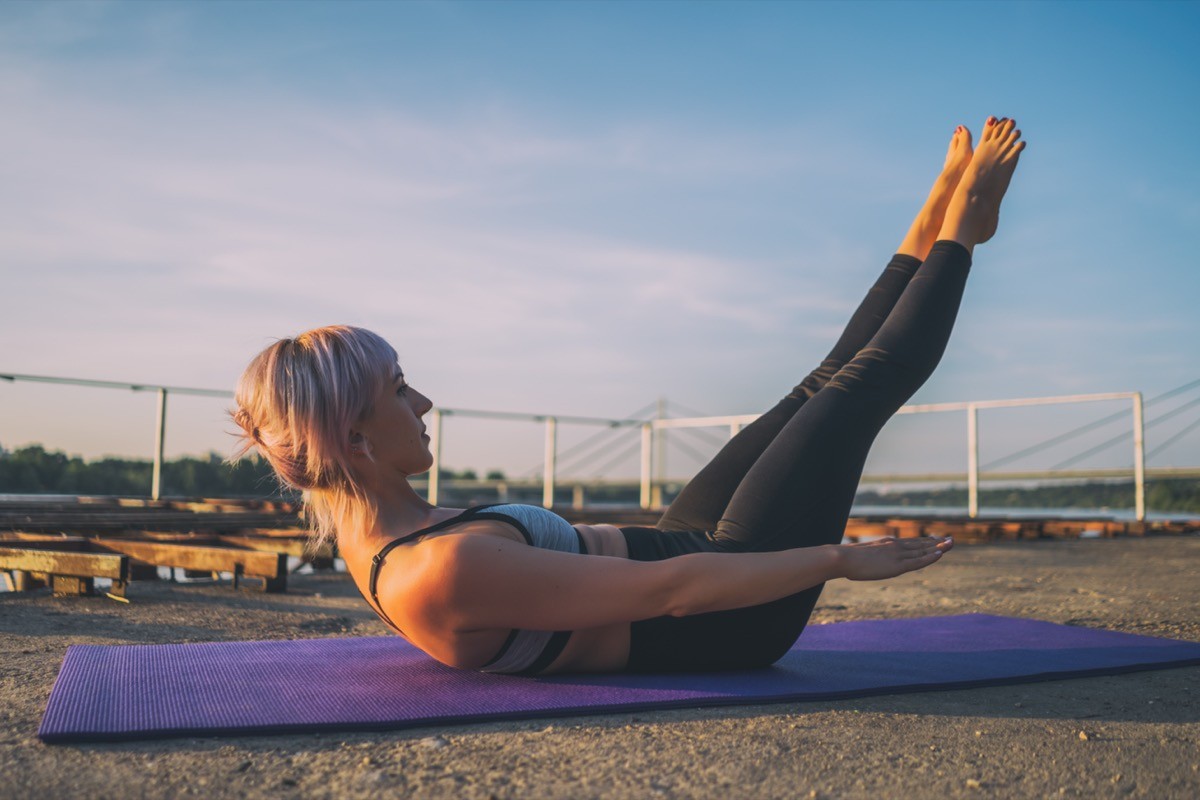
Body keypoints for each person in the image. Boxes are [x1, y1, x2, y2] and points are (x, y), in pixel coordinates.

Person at [233, 117, 1025, 676]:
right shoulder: (434, 571)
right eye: (400, 391)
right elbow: (672, 594)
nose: (427, 404)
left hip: (688, 546)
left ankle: (936, 224)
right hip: (731, 612)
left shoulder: (374, 526)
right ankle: (959, 233)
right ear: (358, 443)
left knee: (818, 384)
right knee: (860, 388)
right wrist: (840, 560)